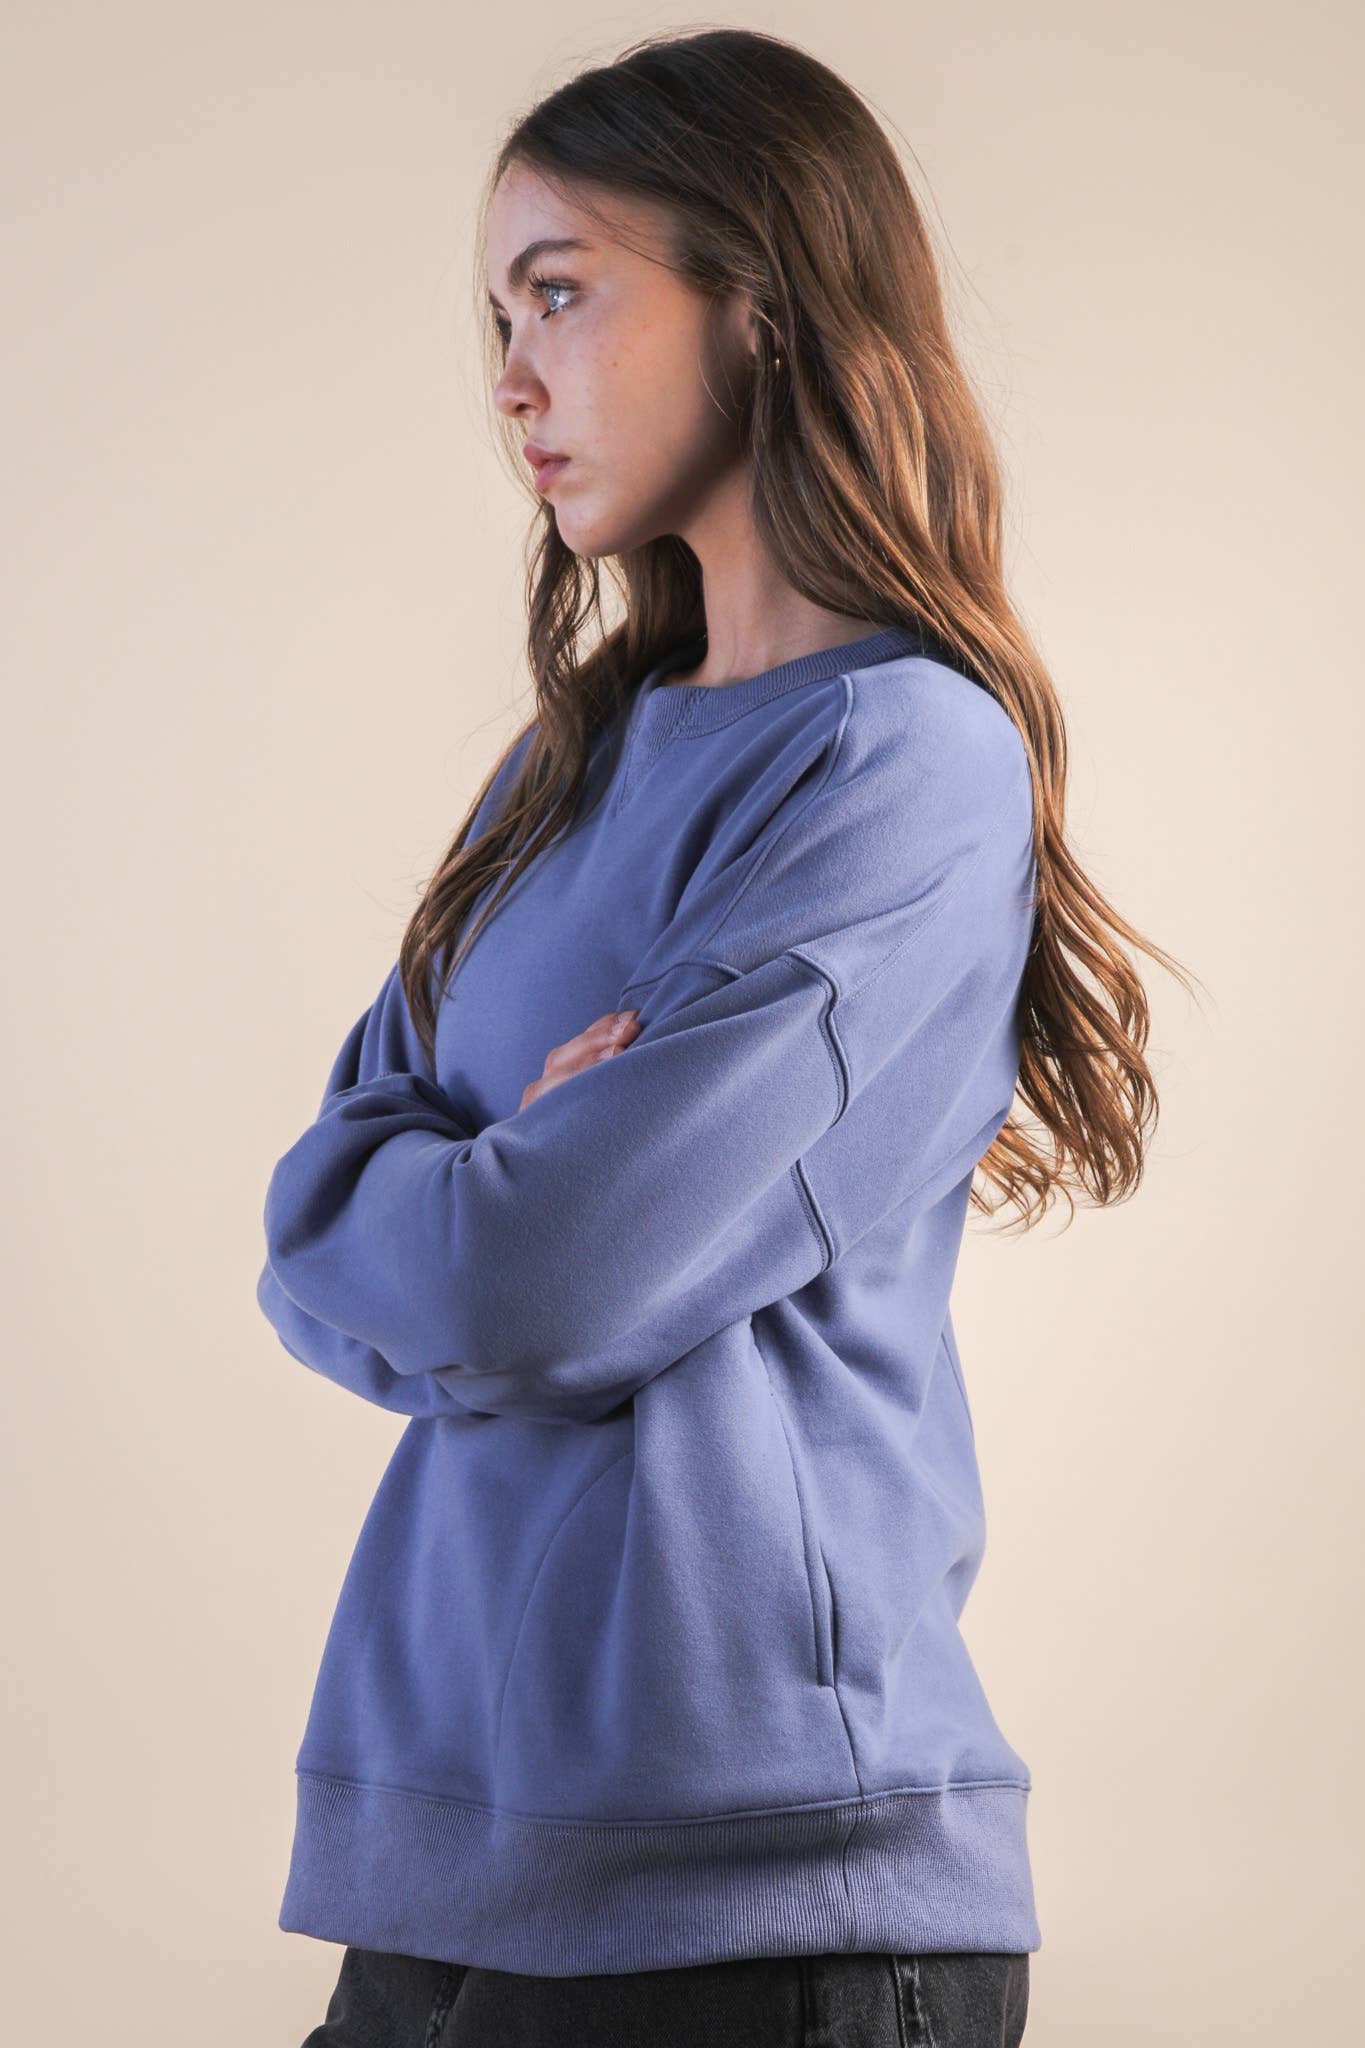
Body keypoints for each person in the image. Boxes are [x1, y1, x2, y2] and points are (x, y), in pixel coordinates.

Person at [259, 27, 1189, 2047]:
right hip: (435, 1849)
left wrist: (488, 1193)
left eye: (560, 294)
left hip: (756, 1890)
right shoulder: (562, 766)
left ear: (758, 300)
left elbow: (530, 1271)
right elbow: (313, 1217)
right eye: (495, 318)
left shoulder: (900, 761)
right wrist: (497, 1181)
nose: (510, 375)